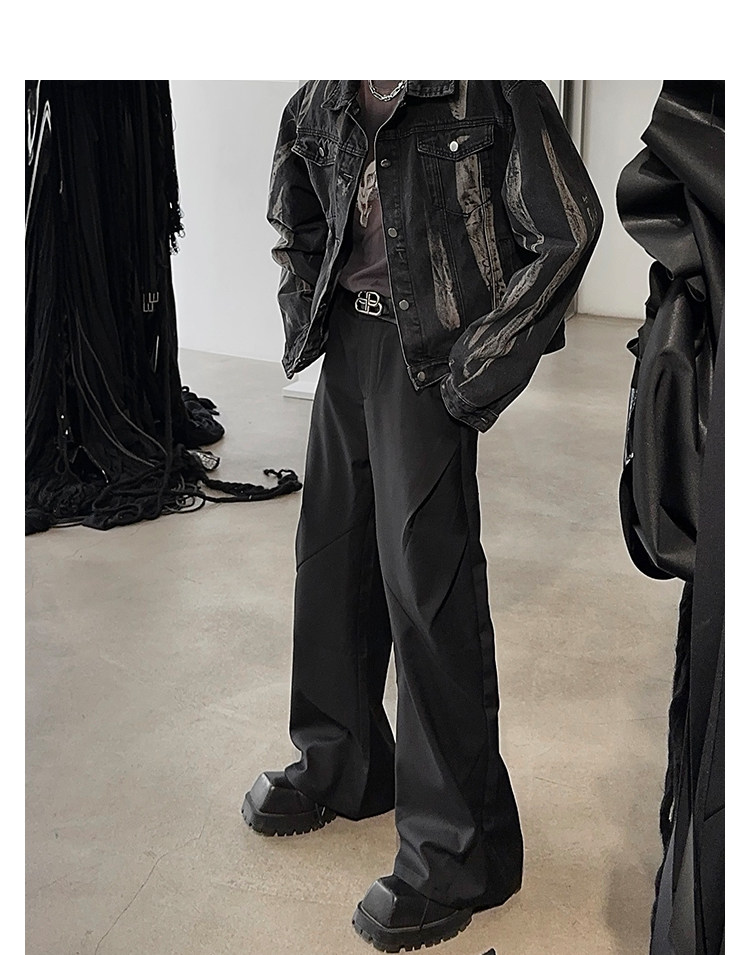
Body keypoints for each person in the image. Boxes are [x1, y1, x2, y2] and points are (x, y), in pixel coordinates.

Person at [242, 80, 603, 952]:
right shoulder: (327, 91)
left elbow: (568, 226)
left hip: (430, 358)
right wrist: (307, 308)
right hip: (350, 345)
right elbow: (296, 207)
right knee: (328, 561)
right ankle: (342, 761)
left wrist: (479, 362)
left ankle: (460, 849)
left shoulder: (489, 84)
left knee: (427, 591)